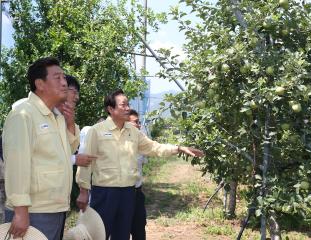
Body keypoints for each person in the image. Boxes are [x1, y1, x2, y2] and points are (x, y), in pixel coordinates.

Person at [76, 89, 204, 240]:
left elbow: (154, 147)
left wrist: (178, 148)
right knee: (99, 235)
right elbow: (86, 161)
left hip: (128, 193)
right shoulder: (97, 131)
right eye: (123, 105)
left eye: (128, 104)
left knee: (122, 235)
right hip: (104, 193)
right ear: (111, 109)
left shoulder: (133, 131)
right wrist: (83, 191)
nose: (127, 108)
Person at [2, 57, 80, 239]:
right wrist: (20, 211)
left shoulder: (56, 116)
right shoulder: (23, 114)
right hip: (34, 211)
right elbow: (17, 165)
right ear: (40, 84)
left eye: (64, 78)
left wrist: (70, 124)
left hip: (55, 208)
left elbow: (66, 152)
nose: (64, 83)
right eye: (57, 77)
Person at [128, 109, 148, 240]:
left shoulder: (141, 140)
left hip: (137, 193)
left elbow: (144, 162)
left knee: (139, 230)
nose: (139, 125)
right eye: (136, 122)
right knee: (120, 231)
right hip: (121, 193)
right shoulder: (116, 143)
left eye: (139, 121)